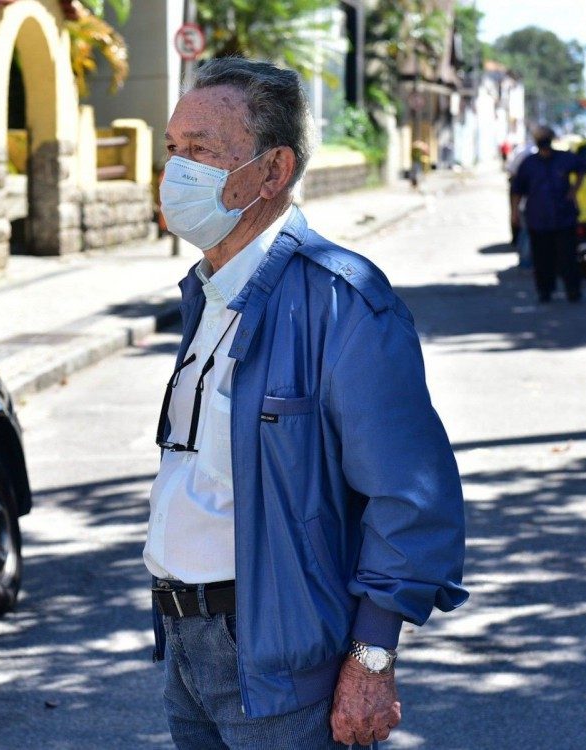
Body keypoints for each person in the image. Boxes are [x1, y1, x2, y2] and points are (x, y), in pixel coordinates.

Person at [147, 57, 467, 749]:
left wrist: (372, 656)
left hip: (284, 664)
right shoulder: (208, 291)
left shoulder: (342, 300)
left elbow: (411, 496)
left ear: (274, 169)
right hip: (186, 648)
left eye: (201, 150)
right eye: (173, 149)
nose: (176, 171)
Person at [510, 125, 585, 303]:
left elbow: (582, 167)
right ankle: (545, 291)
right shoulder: (528, 164)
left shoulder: (564, 158)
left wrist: (574, 190)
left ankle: (572, 290)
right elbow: (517, 190)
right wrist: (514, 213)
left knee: (568, 257)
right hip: (539, 219)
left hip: (563, 217)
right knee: (542, 259)